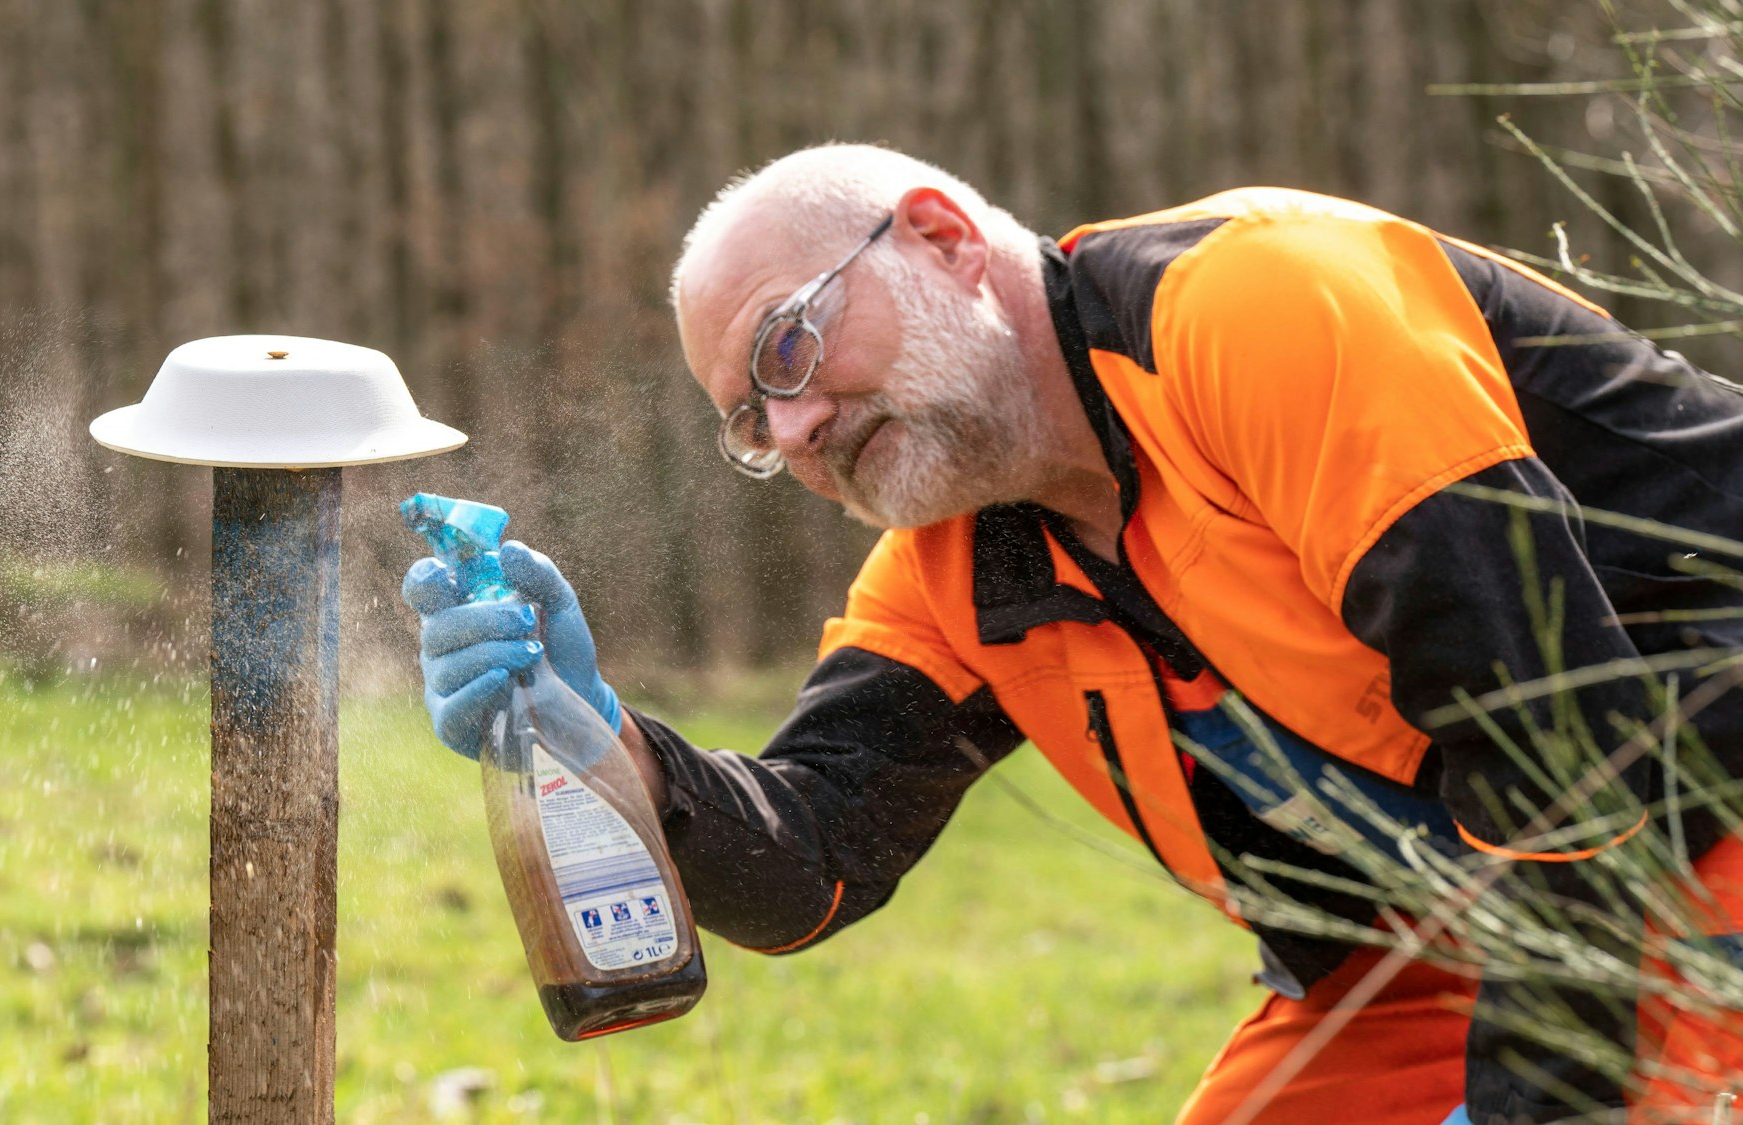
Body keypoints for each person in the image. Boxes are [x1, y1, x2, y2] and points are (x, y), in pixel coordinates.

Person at [403, 144, 1743, 1124]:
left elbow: (1564, 751)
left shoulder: (1263, 307)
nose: (795, 429)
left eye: (791, 350)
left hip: (1678, 826)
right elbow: (815, 852)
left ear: (937, 235)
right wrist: (604, 740)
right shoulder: (951, 565)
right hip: (1452, 939)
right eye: (752, 422)